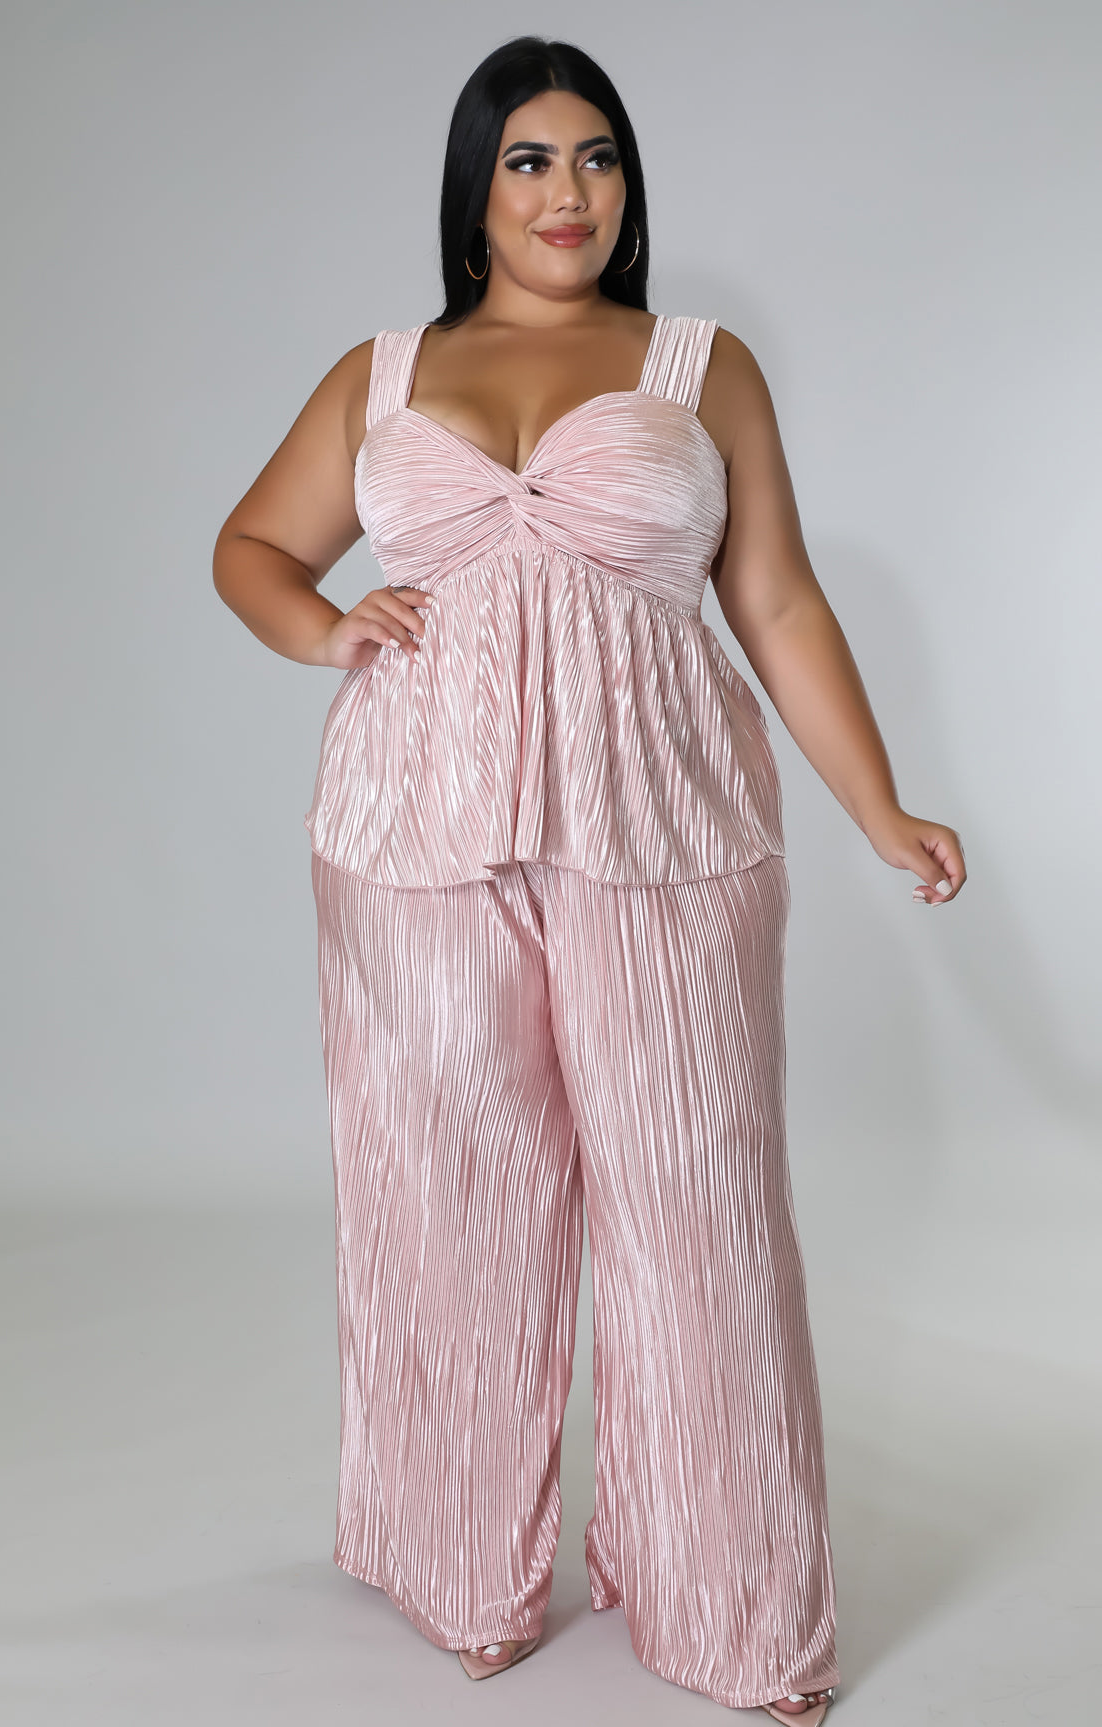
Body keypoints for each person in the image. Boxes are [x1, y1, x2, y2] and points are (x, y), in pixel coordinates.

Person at [212, 35, 966, 1724]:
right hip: (415, 836)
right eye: (532, 159)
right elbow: (250, 547)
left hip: (665, 829)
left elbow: (777, 601)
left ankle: (736, 1606)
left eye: (600, 156)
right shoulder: (383, 374)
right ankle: (457, 1569)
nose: (571, 193)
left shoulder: (699, 367)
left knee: (697, 1205)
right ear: (475, 187)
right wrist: (327, 629)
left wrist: (880, 808)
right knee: (446, 1198)